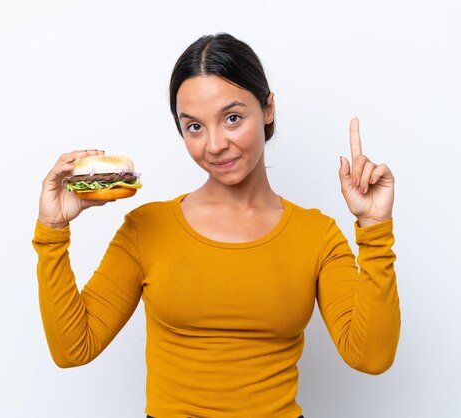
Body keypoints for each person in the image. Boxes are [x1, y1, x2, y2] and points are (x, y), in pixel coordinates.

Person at [32, 33, 400, 418]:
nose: (214, 144)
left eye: (232, 118)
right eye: (194, 127)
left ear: (268, 108)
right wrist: (52, 231)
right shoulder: (147, 227)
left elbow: (371, 357)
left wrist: (374, 228)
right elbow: (73, 348)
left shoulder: (316, 235)